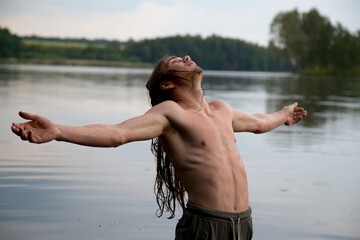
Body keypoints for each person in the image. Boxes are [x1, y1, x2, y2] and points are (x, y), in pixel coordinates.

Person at [11, 55, 307, 240]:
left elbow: (257, 121)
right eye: (175, 62)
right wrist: (59, 130)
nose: (186, 57)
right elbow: (118, 133)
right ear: (167, 84)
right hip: (206, 226)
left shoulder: (221, 110)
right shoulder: (170, 114)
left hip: (243, 223)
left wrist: (284, 115)